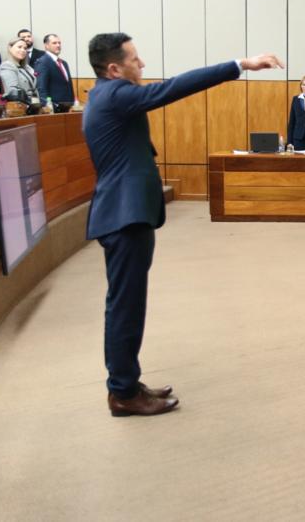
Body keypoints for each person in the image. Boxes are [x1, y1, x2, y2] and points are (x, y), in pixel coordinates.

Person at [83, 32, 284, 417]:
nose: (141, 65)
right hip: (124, 217)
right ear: (114, 68)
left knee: (126, 304)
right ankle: (123, 392)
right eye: (135, 59)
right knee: (125, 306)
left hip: (124, 213)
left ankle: (126, 381)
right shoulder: (116, 95)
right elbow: (174, 88)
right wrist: (240, 64)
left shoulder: (103, 95)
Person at [34, 34, 74, 105]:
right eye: (54, 43)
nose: (58, 45)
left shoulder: (64, 63)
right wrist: (48, 107)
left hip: (68, 106)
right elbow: (41, 88)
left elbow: (68, 87)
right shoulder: (42, 62)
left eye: (59, 43)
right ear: (46, 45)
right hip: (54, 108)